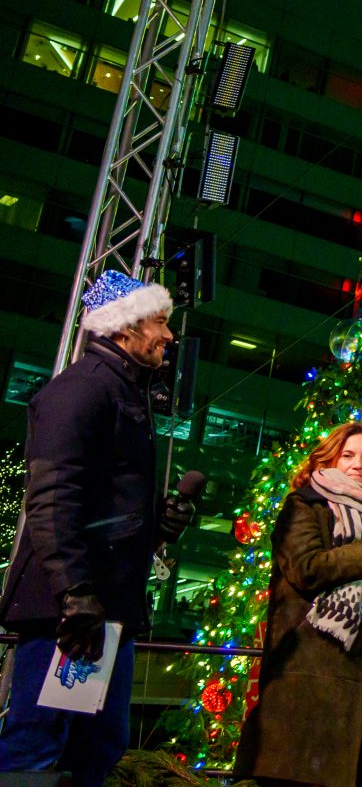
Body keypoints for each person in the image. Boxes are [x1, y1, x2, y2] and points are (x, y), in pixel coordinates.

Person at [0, 271, 195, 787]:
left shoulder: (121, 392)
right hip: (71, 613)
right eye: (159, 321)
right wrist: (75, 593)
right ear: (125, 326)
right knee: (38, 745)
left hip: (103, 611)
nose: (169, 336)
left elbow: (106, 508)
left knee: (97, 746)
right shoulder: (81, 389)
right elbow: (52, 498)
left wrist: (160, 523)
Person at [234, 422, 362, 787]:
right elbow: (306, 569)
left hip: (361, 671)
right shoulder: (304, 505)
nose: (358, 464)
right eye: (348, 455)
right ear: (329, 457)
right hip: (309, 674)